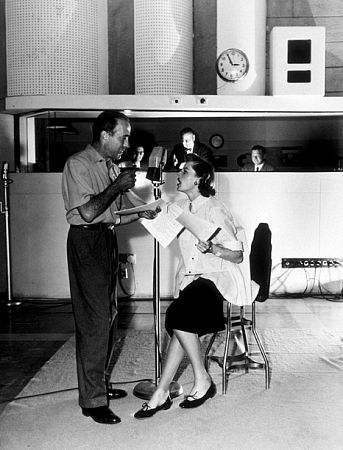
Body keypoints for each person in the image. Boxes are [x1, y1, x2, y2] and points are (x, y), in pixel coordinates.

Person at [62, 110, 159, 425]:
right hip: (86, 241)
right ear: (105, 134)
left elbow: (114, 214)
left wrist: (145, 212)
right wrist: (116, 186)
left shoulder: (110, 167)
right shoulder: (78, 165)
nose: (126, 143)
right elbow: (89, 212)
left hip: (106, 240)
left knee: (111, 317)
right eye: (123, 135)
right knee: (94, 322)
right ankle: (92, 401)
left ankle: (99, 384)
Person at [134, 154, 250, 419]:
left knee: (176, 316)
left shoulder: (215, 209)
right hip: (193, 279)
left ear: (199, 179)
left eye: (185, 171)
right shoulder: (182, 206)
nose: (179, 174)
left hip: (217, 278)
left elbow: (237, 256)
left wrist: (213, 248)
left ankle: (202, 379)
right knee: (180, 326)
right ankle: (162, 392)